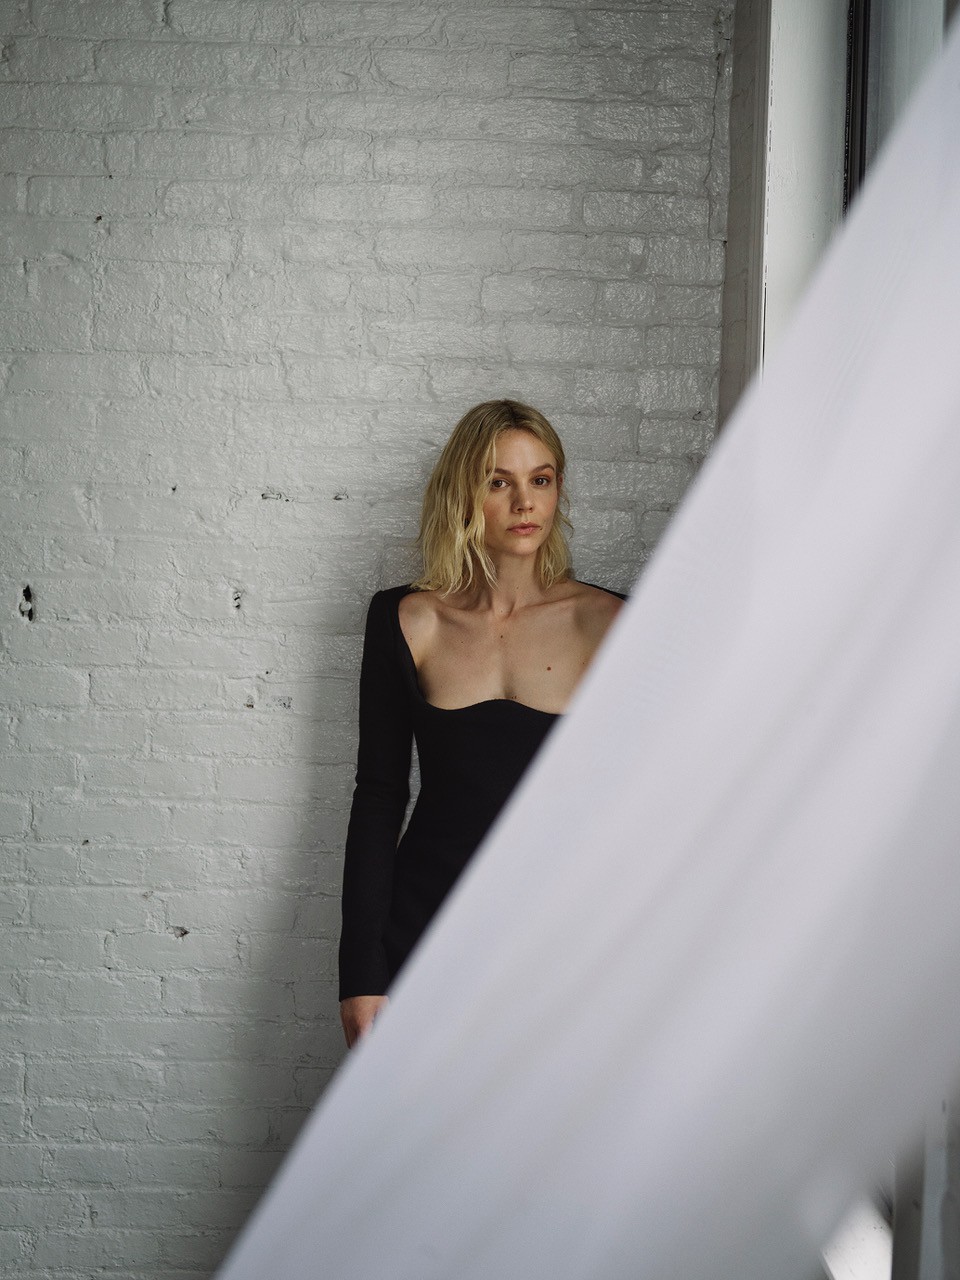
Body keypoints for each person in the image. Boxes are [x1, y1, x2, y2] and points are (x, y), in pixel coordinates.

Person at [338, 399, 624, 1047]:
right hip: (425, 932)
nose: (525, 502)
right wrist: (361, 972)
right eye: (499, 482)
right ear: (463, 494)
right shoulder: (406, 619)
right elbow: (379, 796)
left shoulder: (611, 622)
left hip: (563, 943)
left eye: (540, 480)